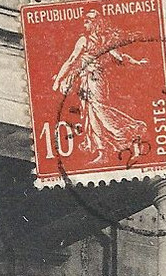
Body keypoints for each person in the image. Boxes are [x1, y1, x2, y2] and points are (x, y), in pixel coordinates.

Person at [51, 10, 148, 165]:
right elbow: (71, 60)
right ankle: (102, 151)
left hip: (96, 81)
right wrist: (60, 78)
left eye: (88, 20)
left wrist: (136, 62)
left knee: (99, 110)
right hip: (86, 81)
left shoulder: (97, 41)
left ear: (96, 23)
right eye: (85, 20)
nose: (85, 23)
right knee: (90, 114)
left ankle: (131, 130)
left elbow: (119, 58)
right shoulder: (88, 40)